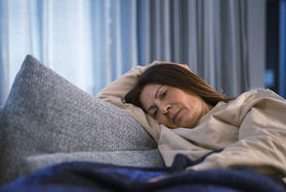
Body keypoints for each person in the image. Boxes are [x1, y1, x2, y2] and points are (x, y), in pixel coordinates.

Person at [97, 61, 286, 183]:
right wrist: (146, 70)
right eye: (154, 111)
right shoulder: (164, 130)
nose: (163, 109)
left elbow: (266, 148)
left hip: (259, 187)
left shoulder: (250, 103)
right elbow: (105, 101)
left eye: (164, 94)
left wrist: (189, 177)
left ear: (186, 82)